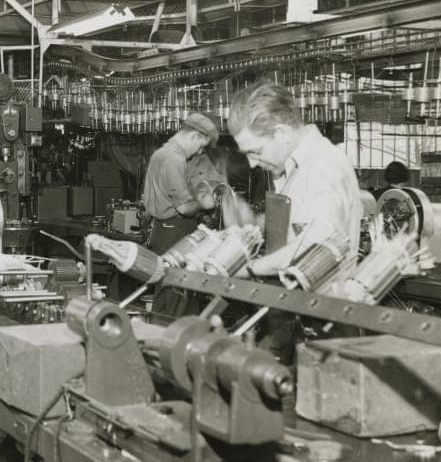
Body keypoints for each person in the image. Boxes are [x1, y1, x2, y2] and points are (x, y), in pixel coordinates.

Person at [226, 81, 362, 362]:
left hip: (326, 320)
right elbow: (297, 225)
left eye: (256, 151)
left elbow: (318, 243)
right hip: (298, 311)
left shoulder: (322, 166)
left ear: (282, 133)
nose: (252, 164)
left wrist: (249, 269)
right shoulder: (292, 167)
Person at [141, 113, 221, 322]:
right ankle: (167, 342)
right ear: (195, 135)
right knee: (177, 295)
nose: (199, 152)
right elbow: (184, 208)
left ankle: (162, 339)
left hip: (164, 229)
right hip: (174, 230)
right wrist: (206, 204)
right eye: (201, 147)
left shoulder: (161, 153)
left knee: (170, 291)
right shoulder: (174, 159)